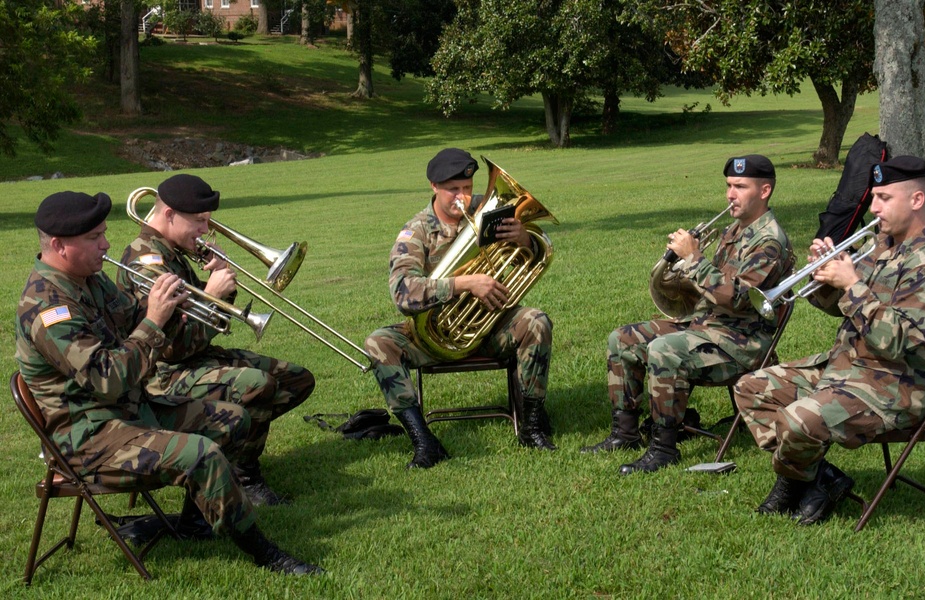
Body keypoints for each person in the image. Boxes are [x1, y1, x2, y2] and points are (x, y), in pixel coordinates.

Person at [14, 191, 322, 574]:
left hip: (127, 411)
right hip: (90, 437)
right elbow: (107, 378)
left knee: (233, 420)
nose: (106, 244)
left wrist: (180, 302)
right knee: (202, 455)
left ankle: (195, 524)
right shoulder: (47, 309)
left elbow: (134, 319)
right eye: (94, 237)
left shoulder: (89, 280)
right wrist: (154, 322)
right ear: (59, 245)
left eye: (103, 233)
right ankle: (266, 554)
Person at [734, 156, 925, 525]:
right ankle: (820, 477)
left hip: (893, 386)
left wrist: (852, 283)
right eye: (874, 197)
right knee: (751, 389)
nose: (873, 207)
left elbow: (893, 342)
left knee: (797, 420)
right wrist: (823, 279)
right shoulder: (882, 244)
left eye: (884, 198)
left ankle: (793, 485)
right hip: (848, 369)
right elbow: (841, 309)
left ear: (916, 200)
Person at [583, 154, 795, 475]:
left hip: (739, 345)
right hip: (705, 327)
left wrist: (694, 259)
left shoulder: (769, 243)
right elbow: (709, 289)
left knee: (663, 350)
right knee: (622, 339)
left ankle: (664, 448)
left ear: (764, 191)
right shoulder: (734, 230)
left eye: (740, 186)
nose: (730, 194)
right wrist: (678, 275)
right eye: (728, 186)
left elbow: (735, 298)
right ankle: (624, 433)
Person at [116, 174, 316, 506]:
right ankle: (244, 476)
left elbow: (216, 324)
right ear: (168, 214)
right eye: (199, 222)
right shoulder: (145, 261)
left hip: (197, 360)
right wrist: (211, 295)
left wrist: (221, 286)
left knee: (296, 380)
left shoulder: (174, 251)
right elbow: (171, 347)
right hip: (162, 376)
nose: (205, 230)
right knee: (257, 385)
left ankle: (232, 450)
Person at [364, 148, 556, 469]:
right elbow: (402, 294)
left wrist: (525, 239)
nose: (463, 197)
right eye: (453, 189)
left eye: (467, 189)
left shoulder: (488, 210)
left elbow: (541, 247)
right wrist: (464, 284)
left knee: (536, 321)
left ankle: (531, 425)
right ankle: (424, 441)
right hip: (434, 337)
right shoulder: (416, 232)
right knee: (378, 343)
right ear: (434, 186)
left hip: (490, 324)